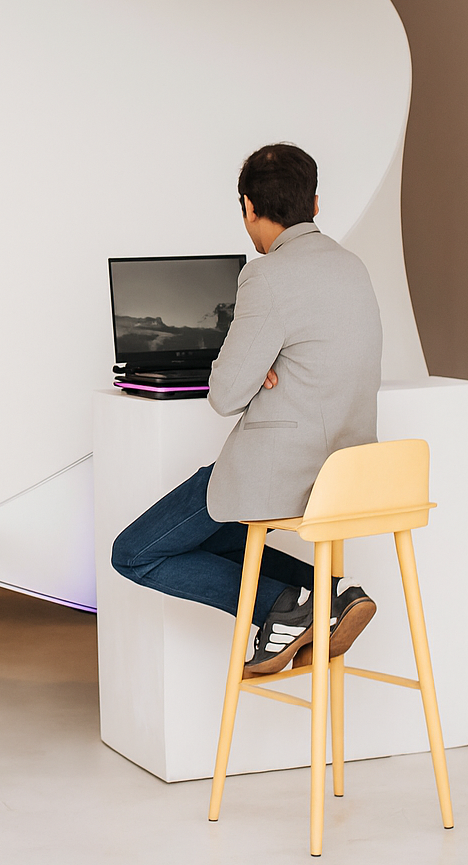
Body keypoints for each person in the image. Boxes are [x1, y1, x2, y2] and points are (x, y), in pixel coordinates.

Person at [111, 143, 382, 676]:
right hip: (347, 474)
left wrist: (255, 369)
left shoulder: (267, 275)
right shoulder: (353, 268)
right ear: (316, 204)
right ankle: (325, 597)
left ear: (249, 207)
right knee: (219, 537)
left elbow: (224, 394)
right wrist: (267, 367)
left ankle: (285, 608)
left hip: (282, 476)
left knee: (135, 552)